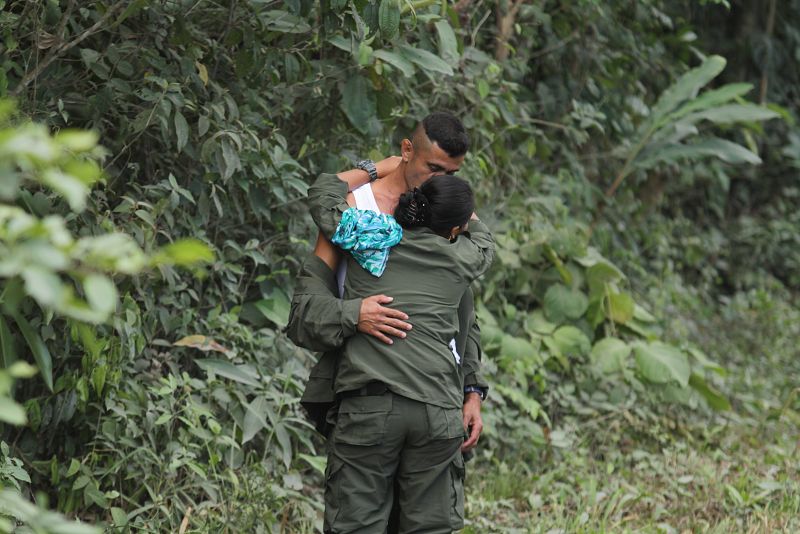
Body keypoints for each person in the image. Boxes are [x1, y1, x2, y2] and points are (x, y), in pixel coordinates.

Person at [307, 167, 494, 533]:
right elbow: (482, 236)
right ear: (454, 229)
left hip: (369, 408)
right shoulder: (462, 258)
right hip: (437, 411)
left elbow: (323, 194)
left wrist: (381, 168)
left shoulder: (367, 237)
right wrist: (457, 205)